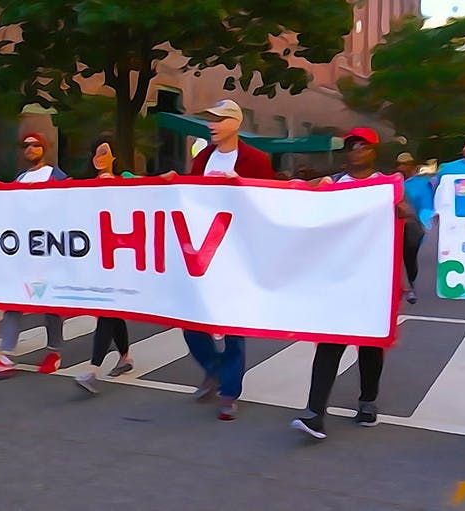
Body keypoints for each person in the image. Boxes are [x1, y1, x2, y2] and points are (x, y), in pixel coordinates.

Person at [291, 127, 412, 439]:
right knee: (329, 344)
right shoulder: (333, 184)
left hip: (374, 279)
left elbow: (410, 221)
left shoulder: (387, 185)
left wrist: (402, 211)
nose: (357, 150)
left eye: (364, 145)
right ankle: (315, 413)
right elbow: (301, 205)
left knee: (370, 345)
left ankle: (367, 400)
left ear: (374, 151)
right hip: (338, 279)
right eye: (352, 145)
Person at [183, 99, 276, 420]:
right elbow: (189, 197)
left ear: (236, 123)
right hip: (203, 251)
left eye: (219, 119)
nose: (212, 125)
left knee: (234, 326)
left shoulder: (255, 159)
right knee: (191, 320)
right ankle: (214, 369)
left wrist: (240, 186)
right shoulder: (203, 158)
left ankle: (229, 392)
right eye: (210, 119)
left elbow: (269, 200)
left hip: (238, 251)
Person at [0, 133, 68, 377]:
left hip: (48, 249)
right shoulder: (20, 178)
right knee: (14, 300)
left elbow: (68, 205)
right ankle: (6, 356)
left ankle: (54, 351)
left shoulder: (56, 176)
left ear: (44, 148)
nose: (30, 149)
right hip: (22, 250)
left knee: (49, 302)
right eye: (26, 145)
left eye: (35, 145)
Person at [74, 138, 136, 394]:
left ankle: (93, 369)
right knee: (112, 310)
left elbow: (150, 189)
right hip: (97, 256)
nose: (99, 157)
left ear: (114, 157)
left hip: (119, 256)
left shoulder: (126, 179)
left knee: (107, 309)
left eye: (104, 152)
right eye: (96, 153)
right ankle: (125, 357)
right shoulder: (85, 186)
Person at [394, 152, 430, 304]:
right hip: (394, 226)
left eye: (405, 164)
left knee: (410, 256)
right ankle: (400, 287)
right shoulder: (394, 182)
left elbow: (426, 205)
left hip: (412, 226)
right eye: (399, 164)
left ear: (412, 165)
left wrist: (426, 224)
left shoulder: (422, 184)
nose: (401, 167)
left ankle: (411, 284)